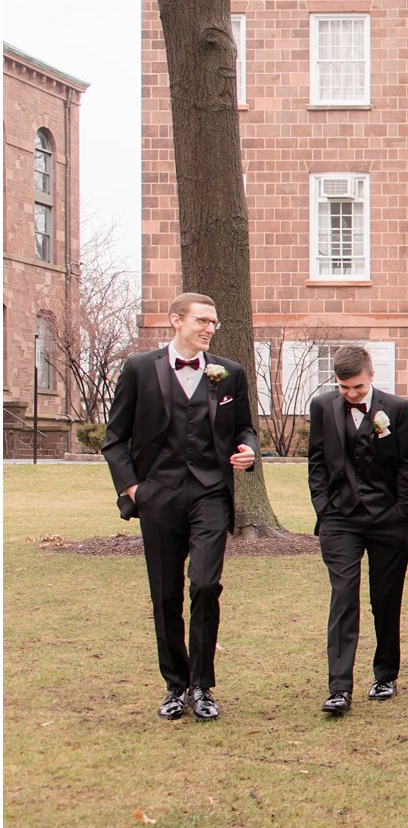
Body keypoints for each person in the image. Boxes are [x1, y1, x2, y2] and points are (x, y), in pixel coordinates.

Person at [102, 292, 258, 721]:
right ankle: (175, 684)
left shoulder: (229, 372)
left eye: (214, 322)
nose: (210, 328)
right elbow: (115, 439)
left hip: (210, 493)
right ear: (176, 321)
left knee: (205, 586)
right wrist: (134, 490)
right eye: (202, 320)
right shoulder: (139, 369)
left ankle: (203, 685)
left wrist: (247, 449)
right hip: (159, 496)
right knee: (165, 594)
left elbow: (245, 426)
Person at [307, 344, 408, 716]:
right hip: (340, 518)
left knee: (385, 600)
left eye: (356, 386)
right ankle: (339, 687)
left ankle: (385, 674)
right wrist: (323, 507)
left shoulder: (397, 409)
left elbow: (406, 465)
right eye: (343, 387)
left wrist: (403, 512)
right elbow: (317, 462)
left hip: (387, 519)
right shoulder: (322, 408)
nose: (350, 393)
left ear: (371, 375)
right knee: (343, 597)